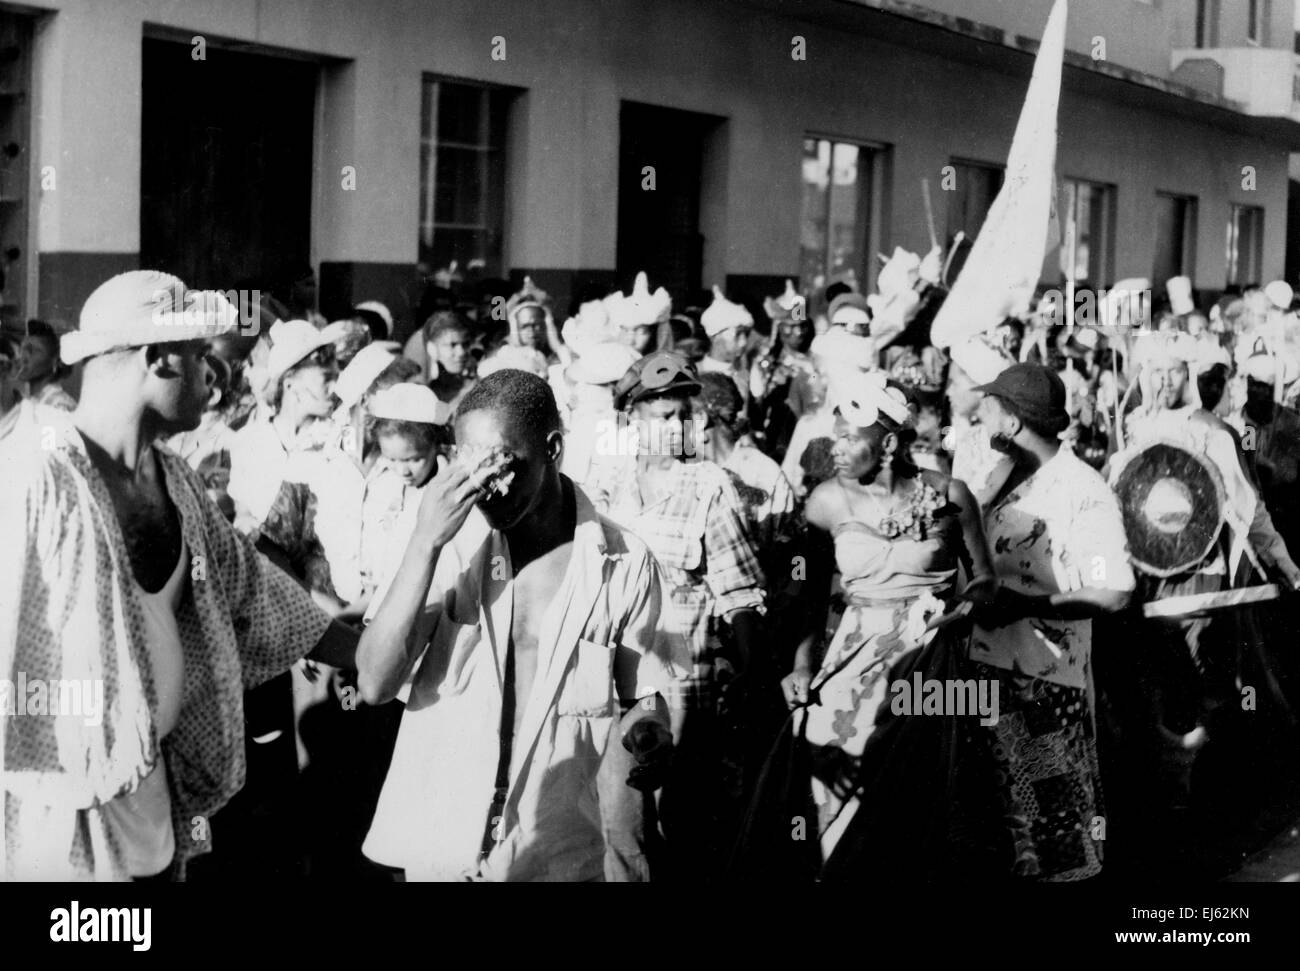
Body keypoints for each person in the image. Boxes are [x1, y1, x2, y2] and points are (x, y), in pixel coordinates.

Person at [0, 270, 357, 881]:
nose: (215, 375)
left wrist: (386, 654)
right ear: (158, 358)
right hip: (55, 815)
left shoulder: (177, 483)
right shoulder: (36, 474)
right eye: (198, 355)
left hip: (158, 799)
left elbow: (260, 595)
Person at [357, 369, 688, 881]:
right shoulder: (445, 543)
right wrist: (425, 543)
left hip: (554, 847)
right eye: (473, 465)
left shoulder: (624, 562)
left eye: (504, 463)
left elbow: (643, 691)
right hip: (444, 840)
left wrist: (650, 728)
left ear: (553, 449)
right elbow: (375, 682)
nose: (489, 486)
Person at [739, 370, 994, 880]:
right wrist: (801, 664)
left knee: (906, 787)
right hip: (853, 655)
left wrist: (964, 610)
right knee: (828, 771)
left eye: (849, 438)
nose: (836, 447)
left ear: (891, 442)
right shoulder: (826, 502)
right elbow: (808, 592)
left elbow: (984, 579)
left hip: (927, 661)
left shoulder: (950, 495)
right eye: (836, 435)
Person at [596, 351, 767, 881]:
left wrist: (753, 675)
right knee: (619, 825)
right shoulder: (602, 485)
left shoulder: (710, 486)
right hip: (609, 683)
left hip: (683, 687)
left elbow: (740, 592)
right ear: (632, 420)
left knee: (682, 824)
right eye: (663, 416)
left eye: (683, 415)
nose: (677, 427)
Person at [968, 363, 1135, 881]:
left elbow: (1112, 588)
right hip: (985, 670)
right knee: (1004, 832)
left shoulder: (1080, 491)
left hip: (1041, 683)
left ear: (1014, 422)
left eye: (989, 405)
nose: (979, 413)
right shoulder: (1000, 474)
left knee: (1054, 836)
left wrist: (1028, 603)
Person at [227, 319, 339, 533]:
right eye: (326, 379)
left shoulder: (337, 442)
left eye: (336, 378)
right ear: (290, 384)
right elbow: (242, 507)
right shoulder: (247, 441)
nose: (334, 388)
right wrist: (245, 520)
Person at [424, 310, 476, 409]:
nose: (461, 352)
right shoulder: (427, 396)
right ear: (432, 349)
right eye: (452, 345)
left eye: (465, 344)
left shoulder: (479, 388)